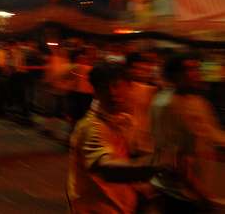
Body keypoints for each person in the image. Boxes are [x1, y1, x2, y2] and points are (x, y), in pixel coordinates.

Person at [68, 62, 159, 214]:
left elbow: (129, 156)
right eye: (104, 88)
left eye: (117, 86)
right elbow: (106, 169)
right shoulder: (91, 127)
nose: (112, 93)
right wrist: (157, 164)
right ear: (95, 92)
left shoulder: (123, 120)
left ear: (129, 87)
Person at [150, 52, 225, 213]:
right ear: (174, 75)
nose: (196, 74)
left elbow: (212, 134)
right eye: (189, 70)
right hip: (179, 192)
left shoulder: (197, 101)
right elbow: (173, 159)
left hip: (200, 187)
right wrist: (202, 196)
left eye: (197, 68)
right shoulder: (166, 104)